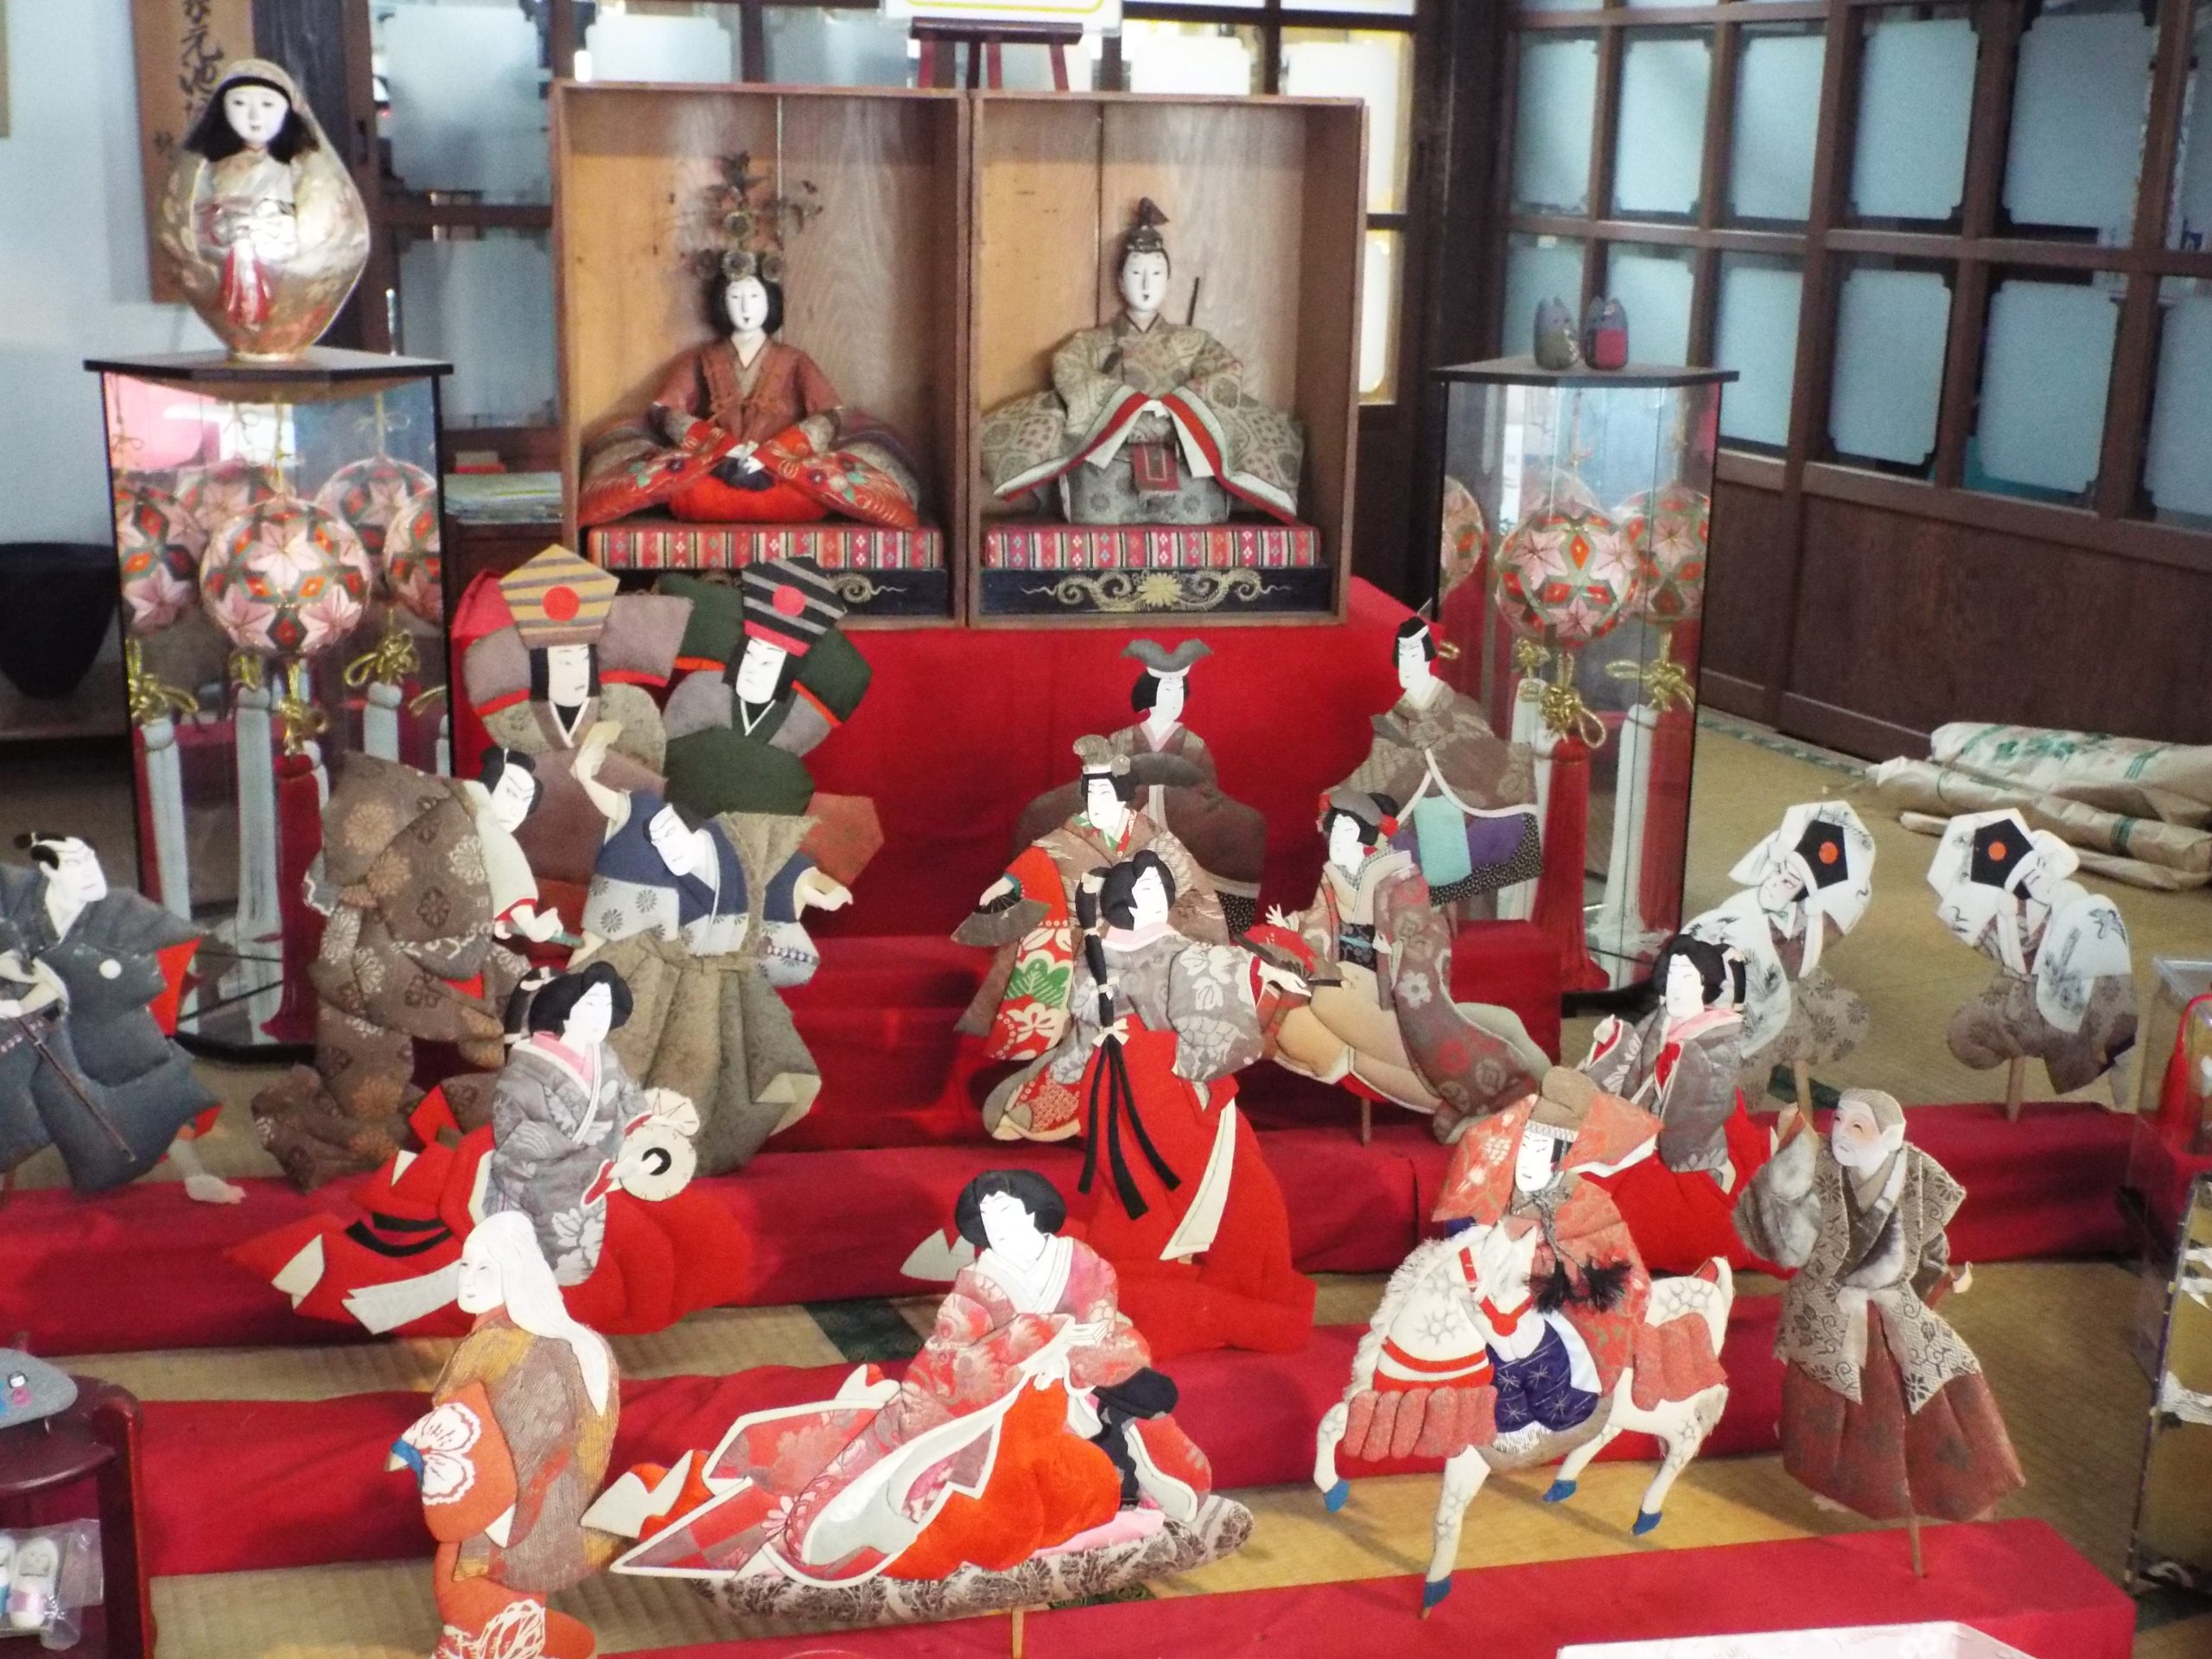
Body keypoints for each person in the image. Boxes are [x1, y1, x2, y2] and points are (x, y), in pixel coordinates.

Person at [603, 1169, 1216, 1585]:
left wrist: (1085, 1354)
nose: (1000, 1226)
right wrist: (1031, 1340)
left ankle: (1136, 1497)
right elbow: (951, 1357)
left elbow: (1106, 1328)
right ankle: (680, 1503)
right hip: (988, 1415)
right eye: (988, 1218)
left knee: (1114, 1460)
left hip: (1070, 1398)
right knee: (959, 1515)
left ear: (1036, 1209)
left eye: (1008, 1212)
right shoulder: (979, 1283)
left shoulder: (1082, 1263)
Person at [1014, 852, 1315, 1357]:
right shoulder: (1101, 952)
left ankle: (1232, 1284)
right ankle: (1155, 1297)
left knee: (1237, 1185)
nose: (1160, 899)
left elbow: (1216, 971)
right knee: (1148, 1198)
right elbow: (1087, 1015)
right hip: (1138, 1082)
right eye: (1148, 890)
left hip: (1173, 1079)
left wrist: (1262, 972)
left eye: (1161, 888)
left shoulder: (1170, 946)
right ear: (1124, 900)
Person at [1733, 1089, 2024, 1522]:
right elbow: (1787, 1248)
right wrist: (1788, 1172)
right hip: (1831, 1308)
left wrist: (1939, 1278)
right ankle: (1842, 1489)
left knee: (1935, 1392)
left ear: (1890, 1137)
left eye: (1858, 1127)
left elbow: (1929, 1246)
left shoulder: (1919, 1177)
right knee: (1829, 1410)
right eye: (1838, 1121)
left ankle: (1946, 1490)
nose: (1842, 1134)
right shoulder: (1820, 1165)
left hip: (1893, 1306)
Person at [573, 725, 844, 1174]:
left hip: (711, 983)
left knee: (701, 1065)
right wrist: (585, 776)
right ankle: (617, 1138)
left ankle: (682, 1148)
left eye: (673, 835)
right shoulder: (646, 825)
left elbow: (788, 870)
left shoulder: (742, 846)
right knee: (627, 1052)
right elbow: (618, 812)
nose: (667, 845)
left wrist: (817, 888)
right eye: (661, 836)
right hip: (650, 968)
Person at [957, 738, 1227, 1135]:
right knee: (1092, 1015)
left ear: (1122, 794)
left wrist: (1185, 942)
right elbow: (1033, 868)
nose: (1096, 802)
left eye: (1104, 792)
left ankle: (1151, 1098)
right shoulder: (1065, 840)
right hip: (1089, 952)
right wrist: (1008, 887)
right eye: (1091, 792)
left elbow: (1195, 896)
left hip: (1155, 954)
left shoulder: (1156, 841)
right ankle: (1069, 1091)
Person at [980, 199, 1304, 525]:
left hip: (1186, 459)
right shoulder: (1093, 343)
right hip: (1110, 462)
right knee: (1051, 421)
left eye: (1157, 273)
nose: (1147, 283)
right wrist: (1127, 405)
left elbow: (1225, 371)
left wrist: (1176, 408)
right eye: (1136, 273)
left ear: (1168, 279)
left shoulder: (1194, 343)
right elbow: (1069, 367)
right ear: (1120, 281)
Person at [394, 1213, 618, 1659]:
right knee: (499, 1598)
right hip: (538, 1506)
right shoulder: (562, 1341)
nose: (469, 1280)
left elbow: (471, 1425)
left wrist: (424, 1449)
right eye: (465, 1265)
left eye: (485, 1269)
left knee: (468, 1587)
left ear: (516, 1272)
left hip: (507, 1506)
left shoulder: (500, 1345)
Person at [1268, 787, 1548, 1141]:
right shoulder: (1333, 878)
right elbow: (1320, 922)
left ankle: (1506, 1091)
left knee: (1341, 1008)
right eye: (1334, 830)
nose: (1336, 840)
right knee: (1322, 1005)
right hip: (1352, 978)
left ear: (1367, 837)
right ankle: (1503, 1082)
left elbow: (1424, 935)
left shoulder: (1400, 879)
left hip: (1391, 985)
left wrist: (1396, 954)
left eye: (1347, 831)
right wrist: (1292, 926)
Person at [578, 264, 927, 530]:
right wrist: (720, 448)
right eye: (735, 297)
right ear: (721, 303)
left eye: (755, 297)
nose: (745, 306)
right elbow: (665, 410)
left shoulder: (793, 360)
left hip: (781, 469)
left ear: (770, 301)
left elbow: (828, 414)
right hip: (718, 464)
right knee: (686, 489)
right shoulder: (702, 359)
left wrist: (774, 454)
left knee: (814, 490)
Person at [459, 545, 689, 924]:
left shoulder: (632, 709)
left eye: (583, 659)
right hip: (532, 869)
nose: (575, 672)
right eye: (562, 661)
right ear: (539, 667)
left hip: (614, 869)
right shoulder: (510, 718)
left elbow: (647, 795)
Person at [0, 834, 221, 1198]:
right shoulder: (18, 897)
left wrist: (52, 979)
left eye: (90, 858)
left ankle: (193, 1173)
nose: (90, 870)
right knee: (11, 1086)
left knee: (147, 1079)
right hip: (28, 1021)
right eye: (75, 863)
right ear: (47, 870)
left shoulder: (121, 909)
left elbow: (125, 973)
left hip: (103, 1018)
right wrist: (23, 980)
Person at [1011, 640, 1268, 932]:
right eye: (1166, 690)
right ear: (1150, 691)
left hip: (1180, 835)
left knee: (1242, 825)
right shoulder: (1122, 739)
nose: (1173, 699)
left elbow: (1207, 795)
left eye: (1178, 690)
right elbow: (1103, 780)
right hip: (1122, 821)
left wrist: (1168, 797)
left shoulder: (1194, 746)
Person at [1580, 932, 1776, 1273]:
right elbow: (1627, 1064)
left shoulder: (1718, 1040)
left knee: (1626, 1209)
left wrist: (1642, 1127)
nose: (1676, 987)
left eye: (1686, 978)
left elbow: (1698, 1114)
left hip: (1687, 1147)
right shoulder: (1659, 1019)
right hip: (1643, 1124)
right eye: (1671, 976)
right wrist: (1614, 1041)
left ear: (1705, 986)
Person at [1930, 810, 2136, 1103]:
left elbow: (2109, 973)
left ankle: (2110, 1053)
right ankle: (2089, 1048)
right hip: (2019, 994)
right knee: (1965, 1032)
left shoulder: (2078, 904)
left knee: (2100, 991)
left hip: (2074, 998)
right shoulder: (1994, 912)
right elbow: (1988, 943)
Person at [1338, 618, 1541, 912]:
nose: (1407, 665)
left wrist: (1436, 750)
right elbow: (1379, 766)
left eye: (1413, 655)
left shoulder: (1462, 708)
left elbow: (1485, 754)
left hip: (1463, 820)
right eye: (1402, 656)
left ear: (1428, 656)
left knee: (1451, 900)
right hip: (1412, 832)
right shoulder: (1392, 719)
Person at [658, 560, 875, 823]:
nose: (753, 668)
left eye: (768, 662)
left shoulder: (805, 718)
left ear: (788, 670)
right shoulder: (701, 691)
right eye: (750, 655)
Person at [1689, 804, 1874, 1099]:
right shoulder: (1748, 919)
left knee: (1839, 1009)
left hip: (1758, 996)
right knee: (1733, 1082)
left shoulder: (1788, 916)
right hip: (1722, 1019)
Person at [463, 747, 566, 947]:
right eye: (511, 793)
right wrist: (529, 924)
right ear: (490, 783)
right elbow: (509, 873)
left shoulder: (477, 819)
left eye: (526, 801)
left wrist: (497, 919)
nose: (518, 810)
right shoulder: (486, 824)